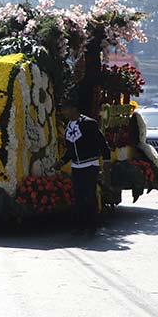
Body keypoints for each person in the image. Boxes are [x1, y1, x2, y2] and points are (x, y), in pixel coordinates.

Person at [60, 97, 111, 239]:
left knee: (89, 196)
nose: (63, 111)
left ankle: (93, 225)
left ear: (74, 109)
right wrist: (62, 161)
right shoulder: (69, 126)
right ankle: (80, 226)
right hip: (76, 166)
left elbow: (102, 144)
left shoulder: (89, 124)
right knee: (79, 197)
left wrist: (106, 162)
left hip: (90, 164)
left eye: (66, 108)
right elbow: (71, 150)